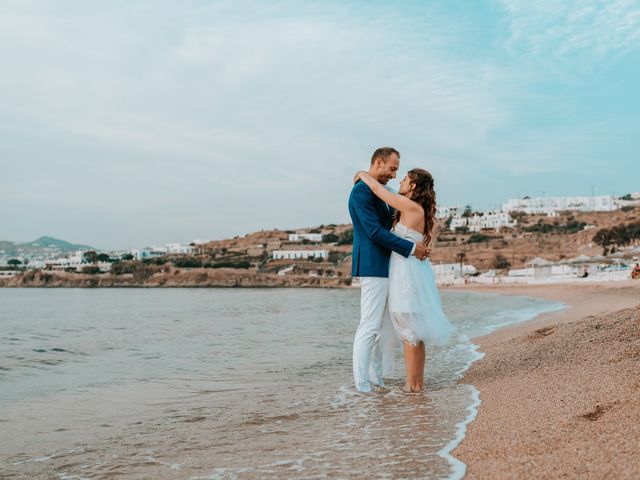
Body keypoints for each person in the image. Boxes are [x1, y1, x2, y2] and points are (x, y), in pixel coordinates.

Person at [353, 166, 454, 393]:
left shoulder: (410, 206)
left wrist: (363, 175)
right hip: (406, 271)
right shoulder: (413, 207)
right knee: (411, 328)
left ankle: (414, 385)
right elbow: (386, 191)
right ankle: (415, 382)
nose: (400, 181)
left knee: (409, 328)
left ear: (413, 186)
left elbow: (380, 191)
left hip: (406, 274)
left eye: (405, 178)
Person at [348, 147, 431, 393]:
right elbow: (374, 232)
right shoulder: (360, 193)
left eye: (398, 171)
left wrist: (365, 174)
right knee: (369, 326)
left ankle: (375, 380)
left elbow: (388, 196)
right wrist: (410, 248)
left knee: (380, 328)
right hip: (372, 265)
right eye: (392, 168)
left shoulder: (379, 190)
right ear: (379, 163)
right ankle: (362, 384)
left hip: (388, 267)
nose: (395, 174)